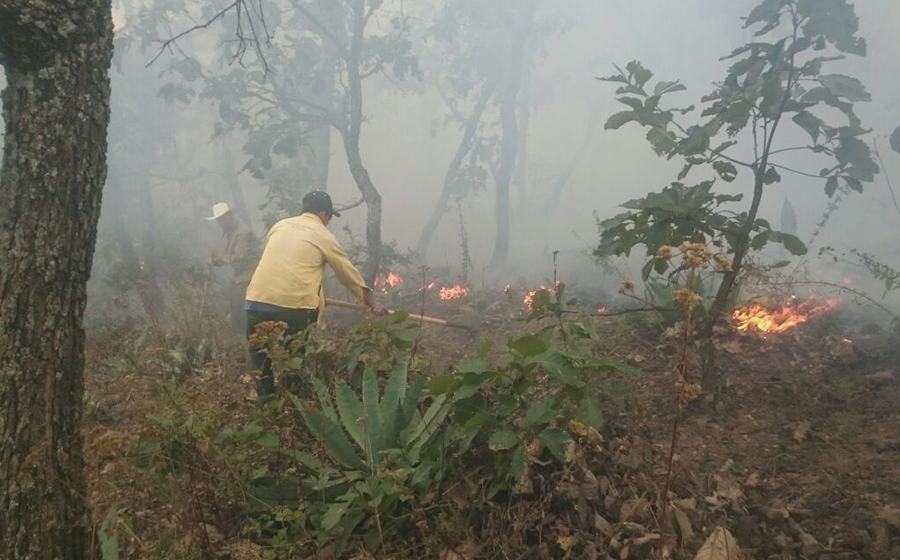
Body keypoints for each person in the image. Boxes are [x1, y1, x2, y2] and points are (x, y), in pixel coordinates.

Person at [244, 190, 387, 396]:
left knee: (258, 354)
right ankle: (292, 404)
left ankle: (265, 401)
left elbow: (281, 263)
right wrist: (373, 303)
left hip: (255, 301)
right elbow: (348, 273)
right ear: (323, 214)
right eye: (329, 217)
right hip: (293, 308)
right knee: (292, 357)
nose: (328, 222)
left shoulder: (279, 226)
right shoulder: (323, 235)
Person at [206, 202, 259, 333]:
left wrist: (219, 256)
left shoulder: (243, 232)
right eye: (219, 220)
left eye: (223, 219)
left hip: (249, 278)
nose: (221, 223)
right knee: (236, 313)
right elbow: (229, 257)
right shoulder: (229, 233)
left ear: (230, 215)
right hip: (240, 278)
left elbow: (238, 259)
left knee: (242, 314)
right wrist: (216, 261)